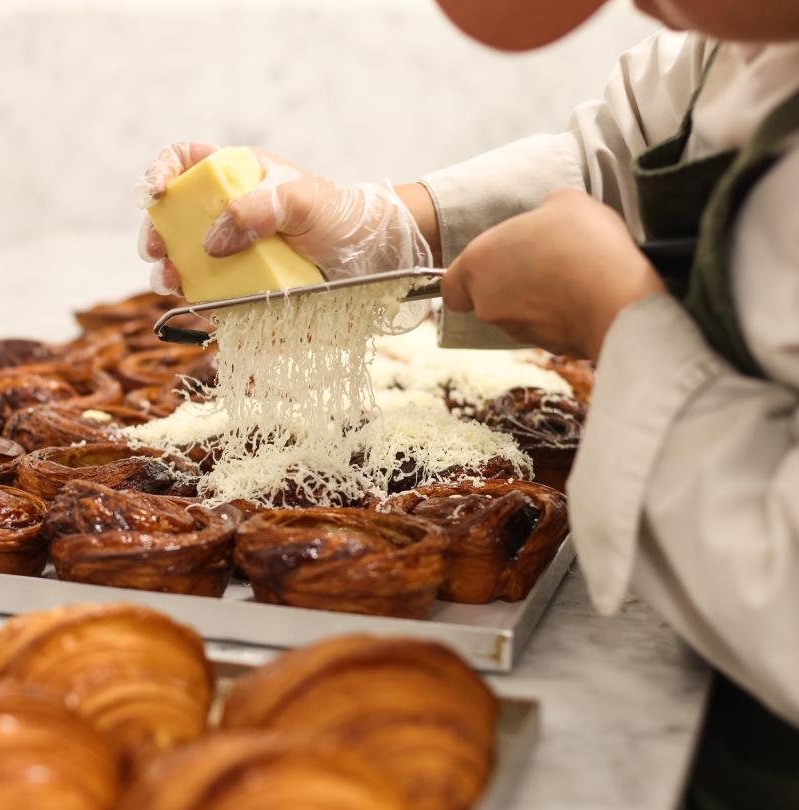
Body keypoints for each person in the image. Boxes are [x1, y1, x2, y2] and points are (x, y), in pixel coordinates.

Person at [136, 1, 799, 806]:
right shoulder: (735, 43)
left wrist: (616, 323)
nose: (639, 9)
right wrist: (389, 228)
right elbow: (619, 158)